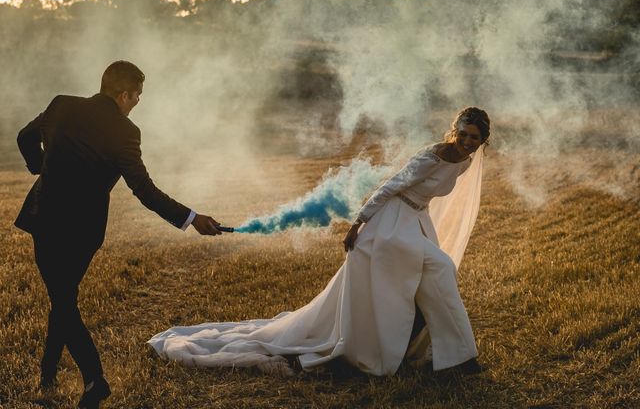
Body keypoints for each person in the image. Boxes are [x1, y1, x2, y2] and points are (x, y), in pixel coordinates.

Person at [149, 107, 490, 377]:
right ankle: (460, 358)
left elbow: (432, 198)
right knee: (441, 268)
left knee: (434, 277)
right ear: (453, 131)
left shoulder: (466, 161)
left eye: (474, 137)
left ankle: (441, 353)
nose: (467, 141)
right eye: (463, 134)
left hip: (415, 223)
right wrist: (359, 223)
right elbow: (390, 186)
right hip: (390, 225)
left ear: (481, 140)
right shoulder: (433, 156)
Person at [15, 60, 224, 409]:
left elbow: (25, 136)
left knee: (62, 297)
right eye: (138, 95)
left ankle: (88, 380)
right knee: (63, 297)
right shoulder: (126, 133)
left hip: (46, 217)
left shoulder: (61, 104)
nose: (138, 102)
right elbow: (144, 190)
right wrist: (191, 217)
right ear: (124, 94)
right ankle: (60, 376)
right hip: (84, 231)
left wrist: (39, 166)